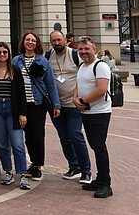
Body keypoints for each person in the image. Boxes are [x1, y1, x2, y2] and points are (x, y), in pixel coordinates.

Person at [12, 31, 60, 181]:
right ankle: (33, 163)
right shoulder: (16, 60)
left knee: (38, 135)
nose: (30, 42)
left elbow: (50, 84)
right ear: (23, 42)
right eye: (27, 40)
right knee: (27, 135)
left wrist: (56, 104)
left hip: (38, 104)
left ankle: (38, 165)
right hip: (22, 104)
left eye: (33, 40)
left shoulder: (42, 61)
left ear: (37, 43)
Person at [46, 30, 91, 184]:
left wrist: (81, 97)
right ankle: (74, 166)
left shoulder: (75, 54)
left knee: (75, 135)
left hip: (73, 104)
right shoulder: (48, 56)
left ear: (65, 39)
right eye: (54, 41)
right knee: (64, 137)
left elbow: (85, 73)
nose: (57, 43)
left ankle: (86, 170)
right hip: (56, 106)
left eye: (59, 40)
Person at [0, 42, 30, 190]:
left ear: (8, 54)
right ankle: (8, 171)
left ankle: (23, 174)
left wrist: (23, 113)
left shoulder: (14, 70)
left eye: (5, 52)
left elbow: (21, 94)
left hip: (13, 108)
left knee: (17, 143)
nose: (2, 55)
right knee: (1, 142)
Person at [73, 37, 114, 198]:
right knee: (95, 146)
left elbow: (101, 89)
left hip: (99, 113)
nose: (83, 52)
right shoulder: (82, 66)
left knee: (99, 147)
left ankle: (105, 183)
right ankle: (100, 179)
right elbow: (78, 84)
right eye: (81, 49)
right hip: (87, 112)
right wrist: (75, 98)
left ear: (94, 49)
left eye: (86, 49)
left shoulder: (101, 66)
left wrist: (82, 101)